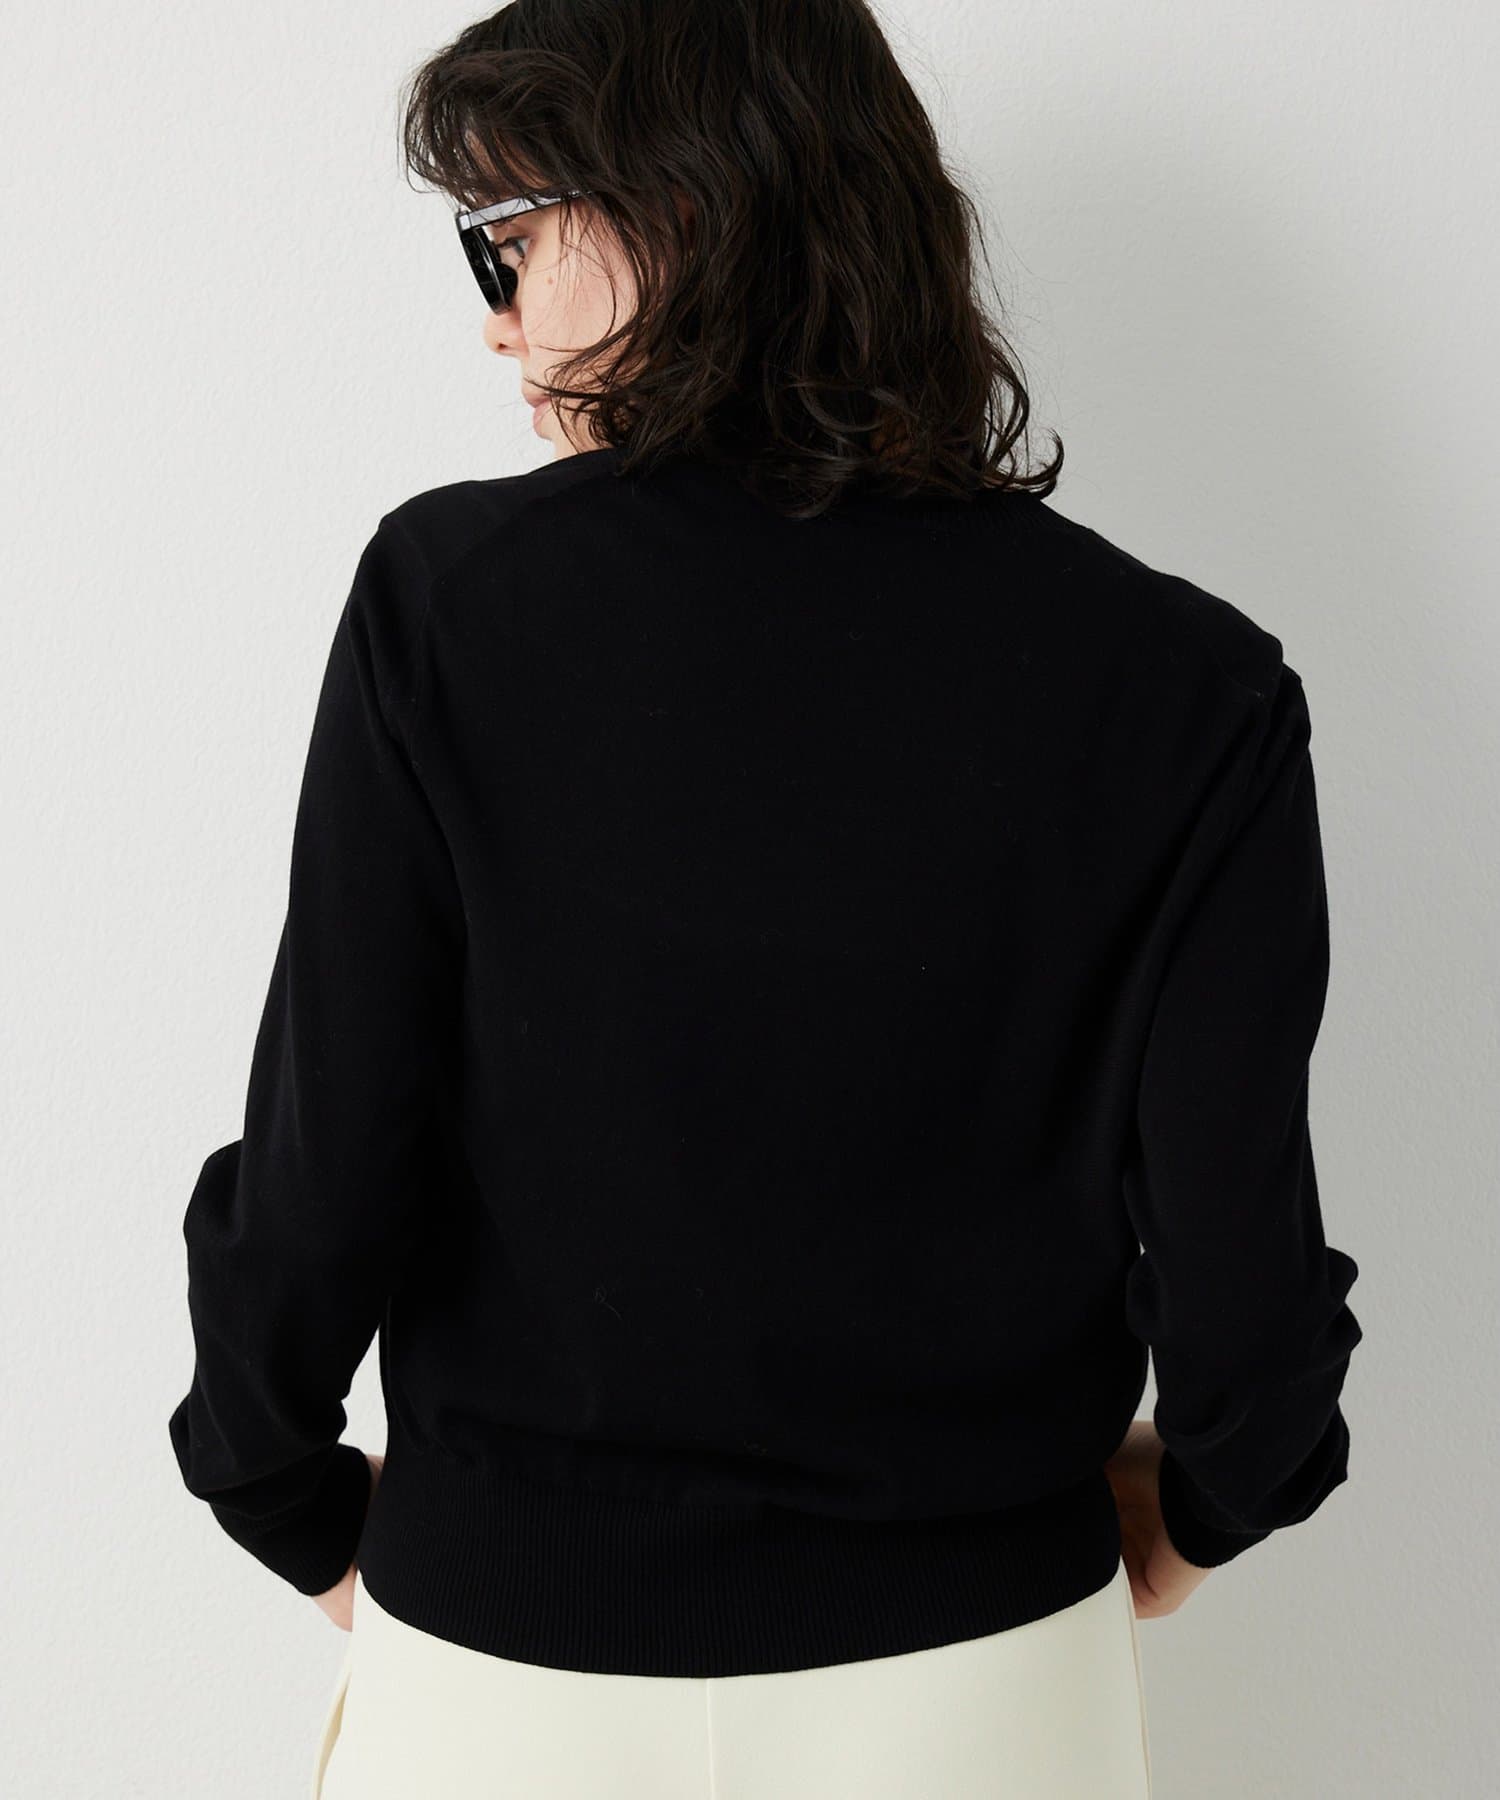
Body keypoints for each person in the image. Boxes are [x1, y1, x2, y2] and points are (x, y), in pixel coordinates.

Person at [166, 2, 1363, 1795]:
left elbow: (327, 1160)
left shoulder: (451, 608)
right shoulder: (1189, 692)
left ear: (679, 212)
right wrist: (1195, 1511)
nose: (496, 316)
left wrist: (283, 1490)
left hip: (510, 1680)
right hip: (983, 1692)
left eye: (507, 240)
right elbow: (1243, 1296)